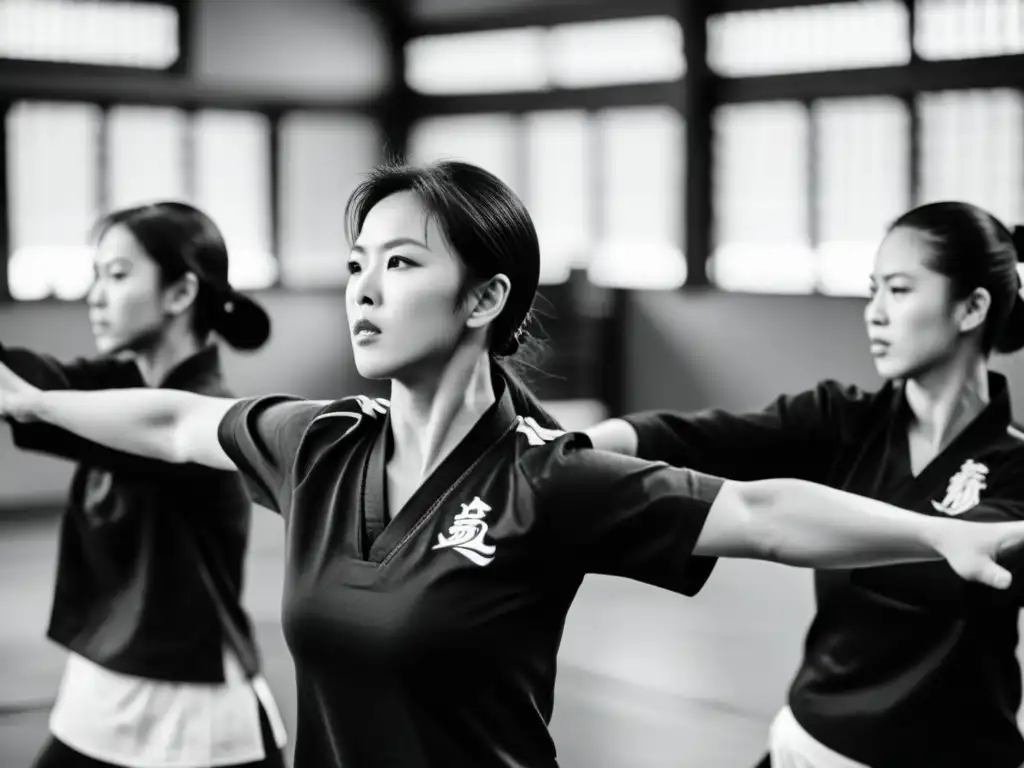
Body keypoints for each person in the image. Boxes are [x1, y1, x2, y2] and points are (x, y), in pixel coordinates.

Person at [2, 170, 1024, 768]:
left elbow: (755, 509)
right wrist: (37, 402)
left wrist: (941, 533)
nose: (363, 289)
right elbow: (180, 420)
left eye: (399, 264)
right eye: (357, 263)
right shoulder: (317, 444)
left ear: (483, 299)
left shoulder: (548, 481)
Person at [586, 202, 1024, 768]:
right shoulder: (841, 421)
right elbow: (687, 438)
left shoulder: (1016, 463)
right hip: (810, 748)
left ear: (972, 307)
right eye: (873, 291)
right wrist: (569, 450)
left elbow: (956, 563)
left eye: (899, 289)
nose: (875, 313)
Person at [0, 202, 287, 768]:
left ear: (180, 294)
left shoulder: (203, 417)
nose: (96, 296)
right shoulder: (112, 384)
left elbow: (58, 406)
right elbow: (24, 382)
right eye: (95, 275)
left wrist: (36, 404)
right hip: (105, 677)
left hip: (192, 698)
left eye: (117, 274)